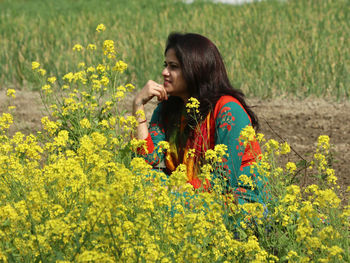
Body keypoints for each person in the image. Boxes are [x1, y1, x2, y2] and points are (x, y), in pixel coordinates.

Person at [132, 33, 269, 205]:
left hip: (236, 202)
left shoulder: (228, 110)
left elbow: (223, 182)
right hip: (186, 194)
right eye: (165, 65)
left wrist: (170, 191)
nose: (164, 72)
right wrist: (138, 106)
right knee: (136, 181)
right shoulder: (168, 108)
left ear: (196, 69)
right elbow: (145, 161)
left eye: (173, 66)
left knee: (157, 203)